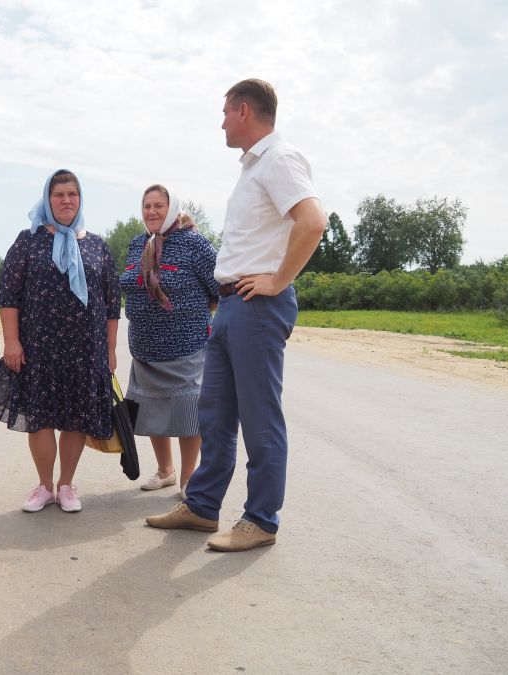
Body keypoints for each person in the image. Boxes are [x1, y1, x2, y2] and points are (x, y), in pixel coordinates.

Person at [146, 79, 326, 551]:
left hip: (258, 304)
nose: (221, 120)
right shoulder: (253, 168)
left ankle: (261, 519)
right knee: (216, 415)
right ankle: (203, 507)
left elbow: (313, 221)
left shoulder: (280, 158)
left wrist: (279, 280)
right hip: (230, 303)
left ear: (244, 111)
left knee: (260, 417)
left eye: (225, 111)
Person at [0, 169, 120, 513]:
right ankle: (44, 486)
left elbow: (112, 304)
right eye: (59, 194)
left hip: (86, 349)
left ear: (80, 200)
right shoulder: (29, 240)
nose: (66, 200)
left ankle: (66, 485)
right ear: (48, 200)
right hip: (39, 346)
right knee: (40, 417)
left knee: (77, 417)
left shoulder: (96, 245)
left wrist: (109, 350)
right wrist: (11, 342)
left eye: (72, 195)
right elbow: (9, 295)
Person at [119, 185, 217, 498]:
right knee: (151, 411)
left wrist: (196, 312)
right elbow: (130, 284)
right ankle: (165, 471)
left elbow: (219, 286)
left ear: (172, 208)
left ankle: (189, 479)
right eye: (146, 205)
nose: (151, 211)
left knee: (188, 414)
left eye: (158, 205)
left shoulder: (195, 244)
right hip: (145, 347)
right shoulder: (138, 244)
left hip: (186, 345)